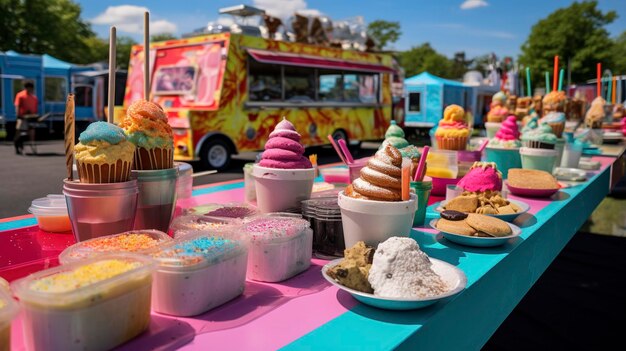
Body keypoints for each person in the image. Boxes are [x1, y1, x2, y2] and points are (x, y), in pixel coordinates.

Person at [14, 81, 38, 155]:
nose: (30, 90)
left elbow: (35, 108)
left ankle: (32, 146)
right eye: (29, 88)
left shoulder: (34, 98)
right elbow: (17, 106)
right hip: (22, 117)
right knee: (20, 133)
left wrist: (34, 115)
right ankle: (18, 146)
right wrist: (18, 115)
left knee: (31, 132)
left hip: (30, 118)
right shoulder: (20, 95)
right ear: (26, 88)